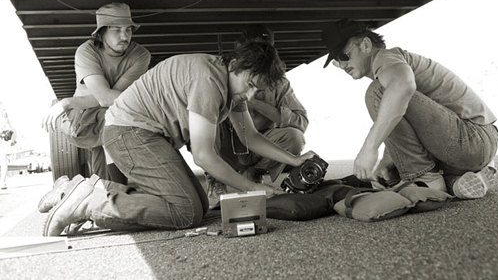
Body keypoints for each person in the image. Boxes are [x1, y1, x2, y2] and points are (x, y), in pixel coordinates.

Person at [43, 40, 316, 236]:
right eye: (251, 85)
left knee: (196, 205)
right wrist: (250, 187)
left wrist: (295, 159)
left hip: (146, 135)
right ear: (236, 65)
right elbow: (203, 155)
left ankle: (77, 190)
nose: (251, 95)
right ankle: (89, 203)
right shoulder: (208, 82)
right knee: (185, 211)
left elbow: (251, 137)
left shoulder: (230, 84)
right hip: (128, 133)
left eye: (258, 90)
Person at [320, 19, 498, 199]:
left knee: (378, 93)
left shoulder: (386, 57)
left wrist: (369, 148)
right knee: (396, 172)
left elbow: (402, 87)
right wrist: (385, 162)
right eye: (336, 62)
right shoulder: (389, 72)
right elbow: (399, 117)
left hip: (473, 140)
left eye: (343, 56)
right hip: (469, 147)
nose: (341, 66)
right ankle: (456, 183)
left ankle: (427, 180)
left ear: (366, 45)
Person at [41, 3, 150, 185]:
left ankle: (108, 194)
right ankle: (119, 191)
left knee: (102, 176)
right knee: (111, 120)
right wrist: (70, 104)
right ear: (101, 33)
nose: (125, 36)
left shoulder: (140, 55)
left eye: (128, 30)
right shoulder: (87, 51)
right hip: (83, 122)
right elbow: (106, 97)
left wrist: (69, 102)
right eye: (116, 30)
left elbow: (111, 99)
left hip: (111, 116)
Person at [206, 25, 309, 209]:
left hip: (258, 147)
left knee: (295, 137)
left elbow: (300, 121)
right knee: (204, 125)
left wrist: (256, 104)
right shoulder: (217, 78)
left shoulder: (279, 83)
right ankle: (215, 178)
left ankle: (256, 172)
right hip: (227, 147)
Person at [0, 102, 16, 190]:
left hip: (2, 139)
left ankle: (3, 182)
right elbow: (12, 129)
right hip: (4, 139)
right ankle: (3, 182)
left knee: (3, 162)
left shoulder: (3, 113)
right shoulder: (4, 112)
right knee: (3, 162)